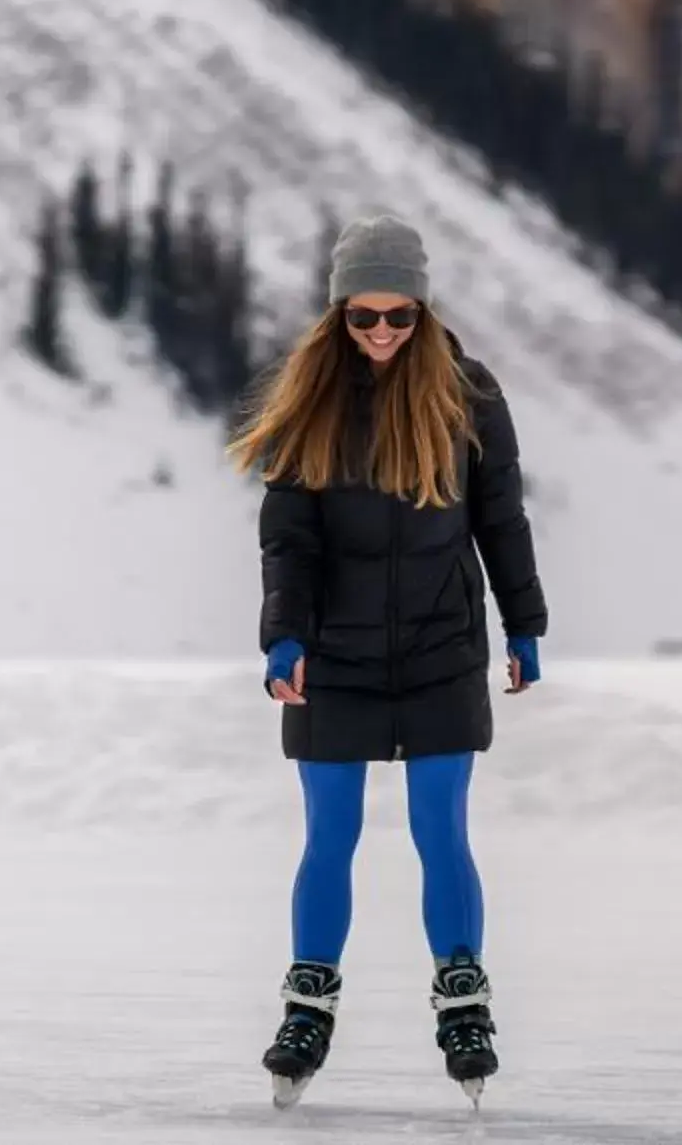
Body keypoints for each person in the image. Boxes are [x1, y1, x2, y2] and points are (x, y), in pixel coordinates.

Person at [236, 216, 548, 1108]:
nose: (380, 334)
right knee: (328, 835)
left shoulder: (468, 395)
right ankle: (308, 1005)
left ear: (422, 309)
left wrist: (524, 624)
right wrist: (283, 636)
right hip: (333, 654)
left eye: (397, 317)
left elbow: (502, 521)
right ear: (337, 315)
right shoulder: (311, 399)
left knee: (438, 830)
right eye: (362, 317)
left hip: (441, 649)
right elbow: (287, 540)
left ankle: (463, 999)